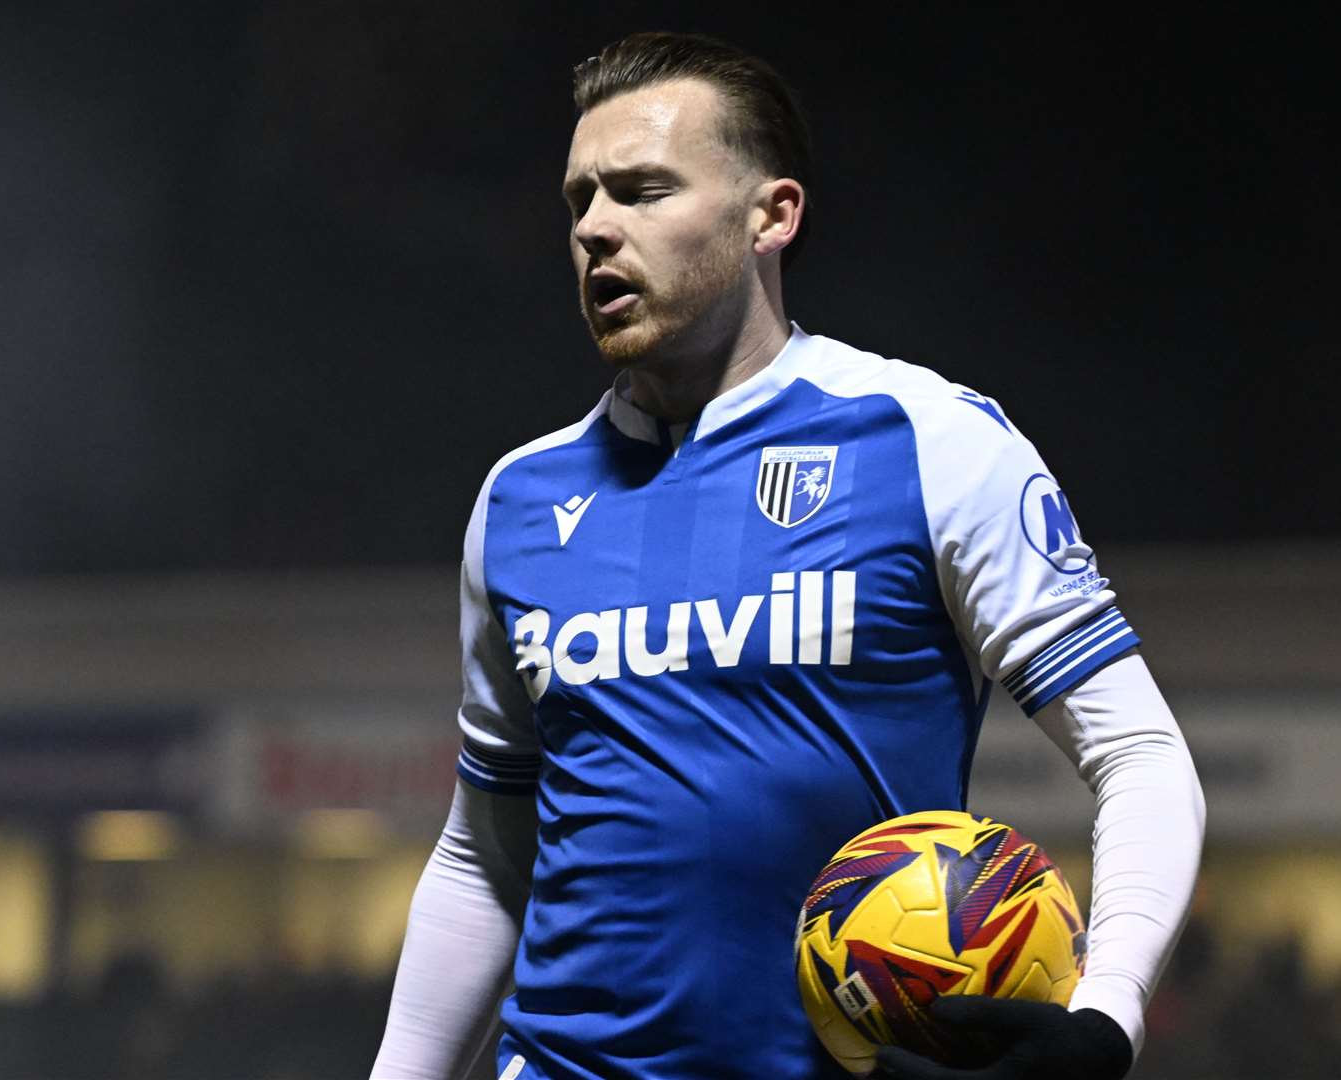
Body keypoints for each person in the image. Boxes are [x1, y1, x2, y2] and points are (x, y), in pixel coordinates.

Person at [370, 31, 1204, 1080]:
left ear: (772, 214)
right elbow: (485, 855)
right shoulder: (520, 499)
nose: (593, 230)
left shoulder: (925, 441)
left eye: (640, 191)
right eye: (578, 199)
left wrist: (1103, 1020)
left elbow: (1138, 757)